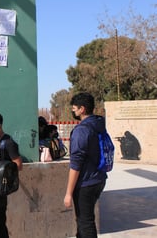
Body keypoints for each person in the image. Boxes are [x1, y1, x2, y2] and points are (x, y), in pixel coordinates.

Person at [63, 92, 107, 238]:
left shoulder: (82, 130)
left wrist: (68, 193)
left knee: (85, 222)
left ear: (82, 109)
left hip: (86, 183)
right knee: (83, 219)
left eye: (74, 108)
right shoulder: (98, 124)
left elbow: (76, 164)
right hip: (99, 178)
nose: (72, 111)